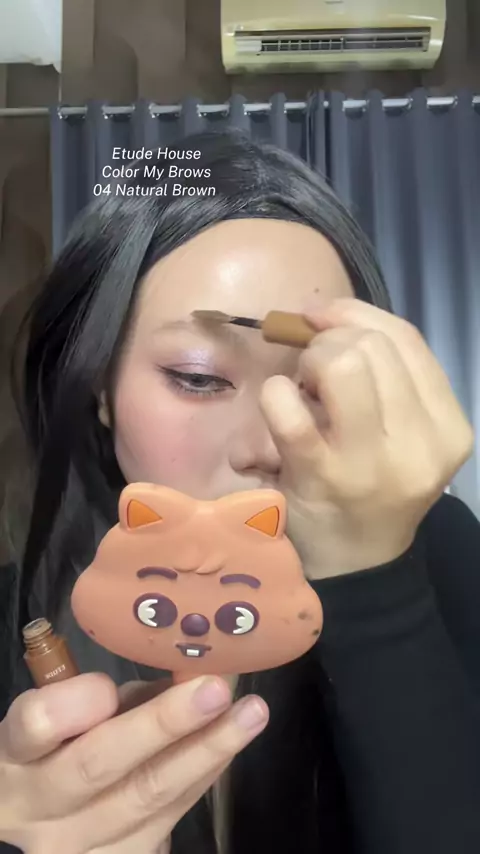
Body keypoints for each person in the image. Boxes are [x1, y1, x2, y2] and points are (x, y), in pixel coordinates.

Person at [0, 129, 480, 854]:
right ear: (99, 385)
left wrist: (374, 580)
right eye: (198, 379)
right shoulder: (17, 623)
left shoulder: (443, 556)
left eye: (312, 387)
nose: (268, 444)